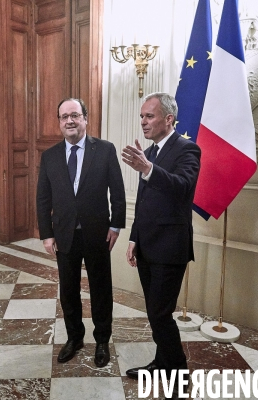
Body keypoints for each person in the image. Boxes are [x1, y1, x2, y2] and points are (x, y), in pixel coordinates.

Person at [36, 98, 126, 368]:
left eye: (75, 115)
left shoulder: (105, 150)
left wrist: (116, 225)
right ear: (60, 122)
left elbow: (118, 192)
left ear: (86, 118)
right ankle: (75, 338)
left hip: (98, 233)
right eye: (64, 117)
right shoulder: (49, 156)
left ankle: (101, 340)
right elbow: (43, 198)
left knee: (100, 288)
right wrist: (46, 234)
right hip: (64, 235)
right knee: (69, 291)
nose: (70, 121)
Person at [121, 92, 200, 394]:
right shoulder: (151, 153)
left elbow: (183, 187)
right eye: (141, 116)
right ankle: (161, 363)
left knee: (158, 313)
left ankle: (177, 371)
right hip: (147, 246)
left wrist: (147, 170)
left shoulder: (188, 149)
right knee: (156, 311)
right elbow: (144, 201)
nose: (143, 121)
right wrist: (133, 238)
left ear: (169, 119)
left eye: (149, 116)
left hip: (171, 248)